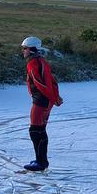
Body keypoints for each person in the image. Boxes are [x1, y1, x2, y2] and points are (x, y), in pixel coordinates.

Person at [21, 37, 63, 172]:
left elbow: (41, 84)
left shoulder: (33, 63)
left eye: (25, 48)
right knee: (41, 130)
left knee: (34, 131)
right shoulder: (41, 61)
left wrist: (53, 98)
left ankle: (40, 162)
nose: (23, 51)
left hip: (41, 100)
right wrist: (55, 97)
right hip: (46, 100)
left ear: (31, 49)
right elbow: (52, 80)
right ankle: (42, 160)